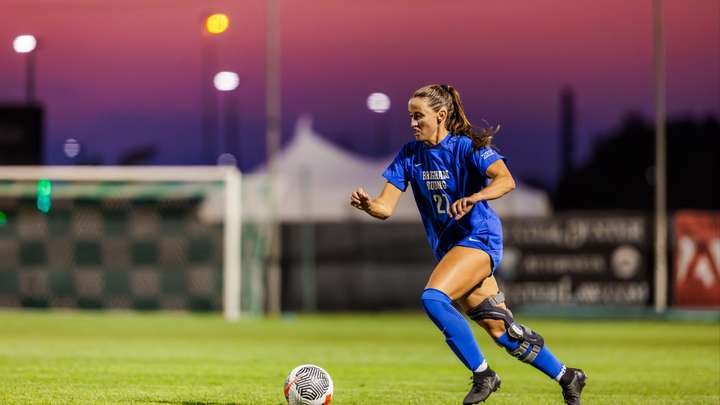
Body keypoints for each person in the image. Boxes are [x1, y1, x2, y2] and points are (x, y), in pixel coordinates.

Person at [350, 84, 586, 404]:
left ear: (441, 116)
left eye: (418, 116)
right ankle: (568, 376)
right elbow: (385, 207)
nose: (412, 123)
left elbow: (506, 180)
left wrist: (476, 196)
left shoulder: (467, 147)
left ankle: (483, 375)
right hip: (452, 250)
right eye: (410, 117)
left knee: (433, 298)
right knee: (503, 332)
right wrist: (369, 206)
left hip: (480, 238)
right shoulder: (410, 154)